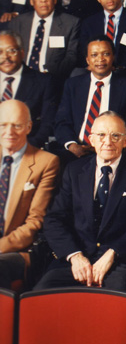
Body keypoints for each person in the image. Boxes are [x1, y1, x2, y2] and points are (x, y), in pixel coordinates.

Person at [35, 111, 126, 292]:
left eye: (115, 136)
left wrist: (112, 254)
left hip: (120, 259)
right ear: (91, 140)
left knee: (114, 299)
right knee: (41, 293)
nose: (108, 142)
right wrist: (75, 256)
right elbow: (54, 218)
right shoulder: (73, 170)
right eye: (101, 135)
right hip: (78, 256)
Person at [0, 100, 59, 289]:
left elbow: (35, 223)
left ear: (29, 127)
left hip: (17, 250)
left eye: (17, 125)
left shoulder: (46, 162)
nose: (9, 132)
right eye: (3, 125)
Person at [54, 36, 126, 161]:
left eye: (106, 54)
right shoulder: (73, 85)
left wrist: (106, 146)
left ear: (113, 57)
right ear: (87, 60)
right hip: (76, 149)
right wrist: (72, 145)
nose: (100, 59)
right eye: (94, 55)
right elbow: (62, 122)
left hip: (111, 149)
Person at [8, 0, 80, 80]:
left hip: (52, 78)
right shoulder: (18, 22)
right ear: (31, 1)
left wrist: (51, 74)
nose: (43, 0)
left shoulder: (70, 23)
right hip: (21, 77)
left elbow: (71, 57)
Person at [0, 30, 58, 148]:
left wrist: (27, 147)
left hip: (28, 148)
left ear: (22, 53)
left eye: (11, 50)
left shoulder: (43, 81)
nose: (5, 57)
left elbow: (48, 122)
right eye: (0, 52)